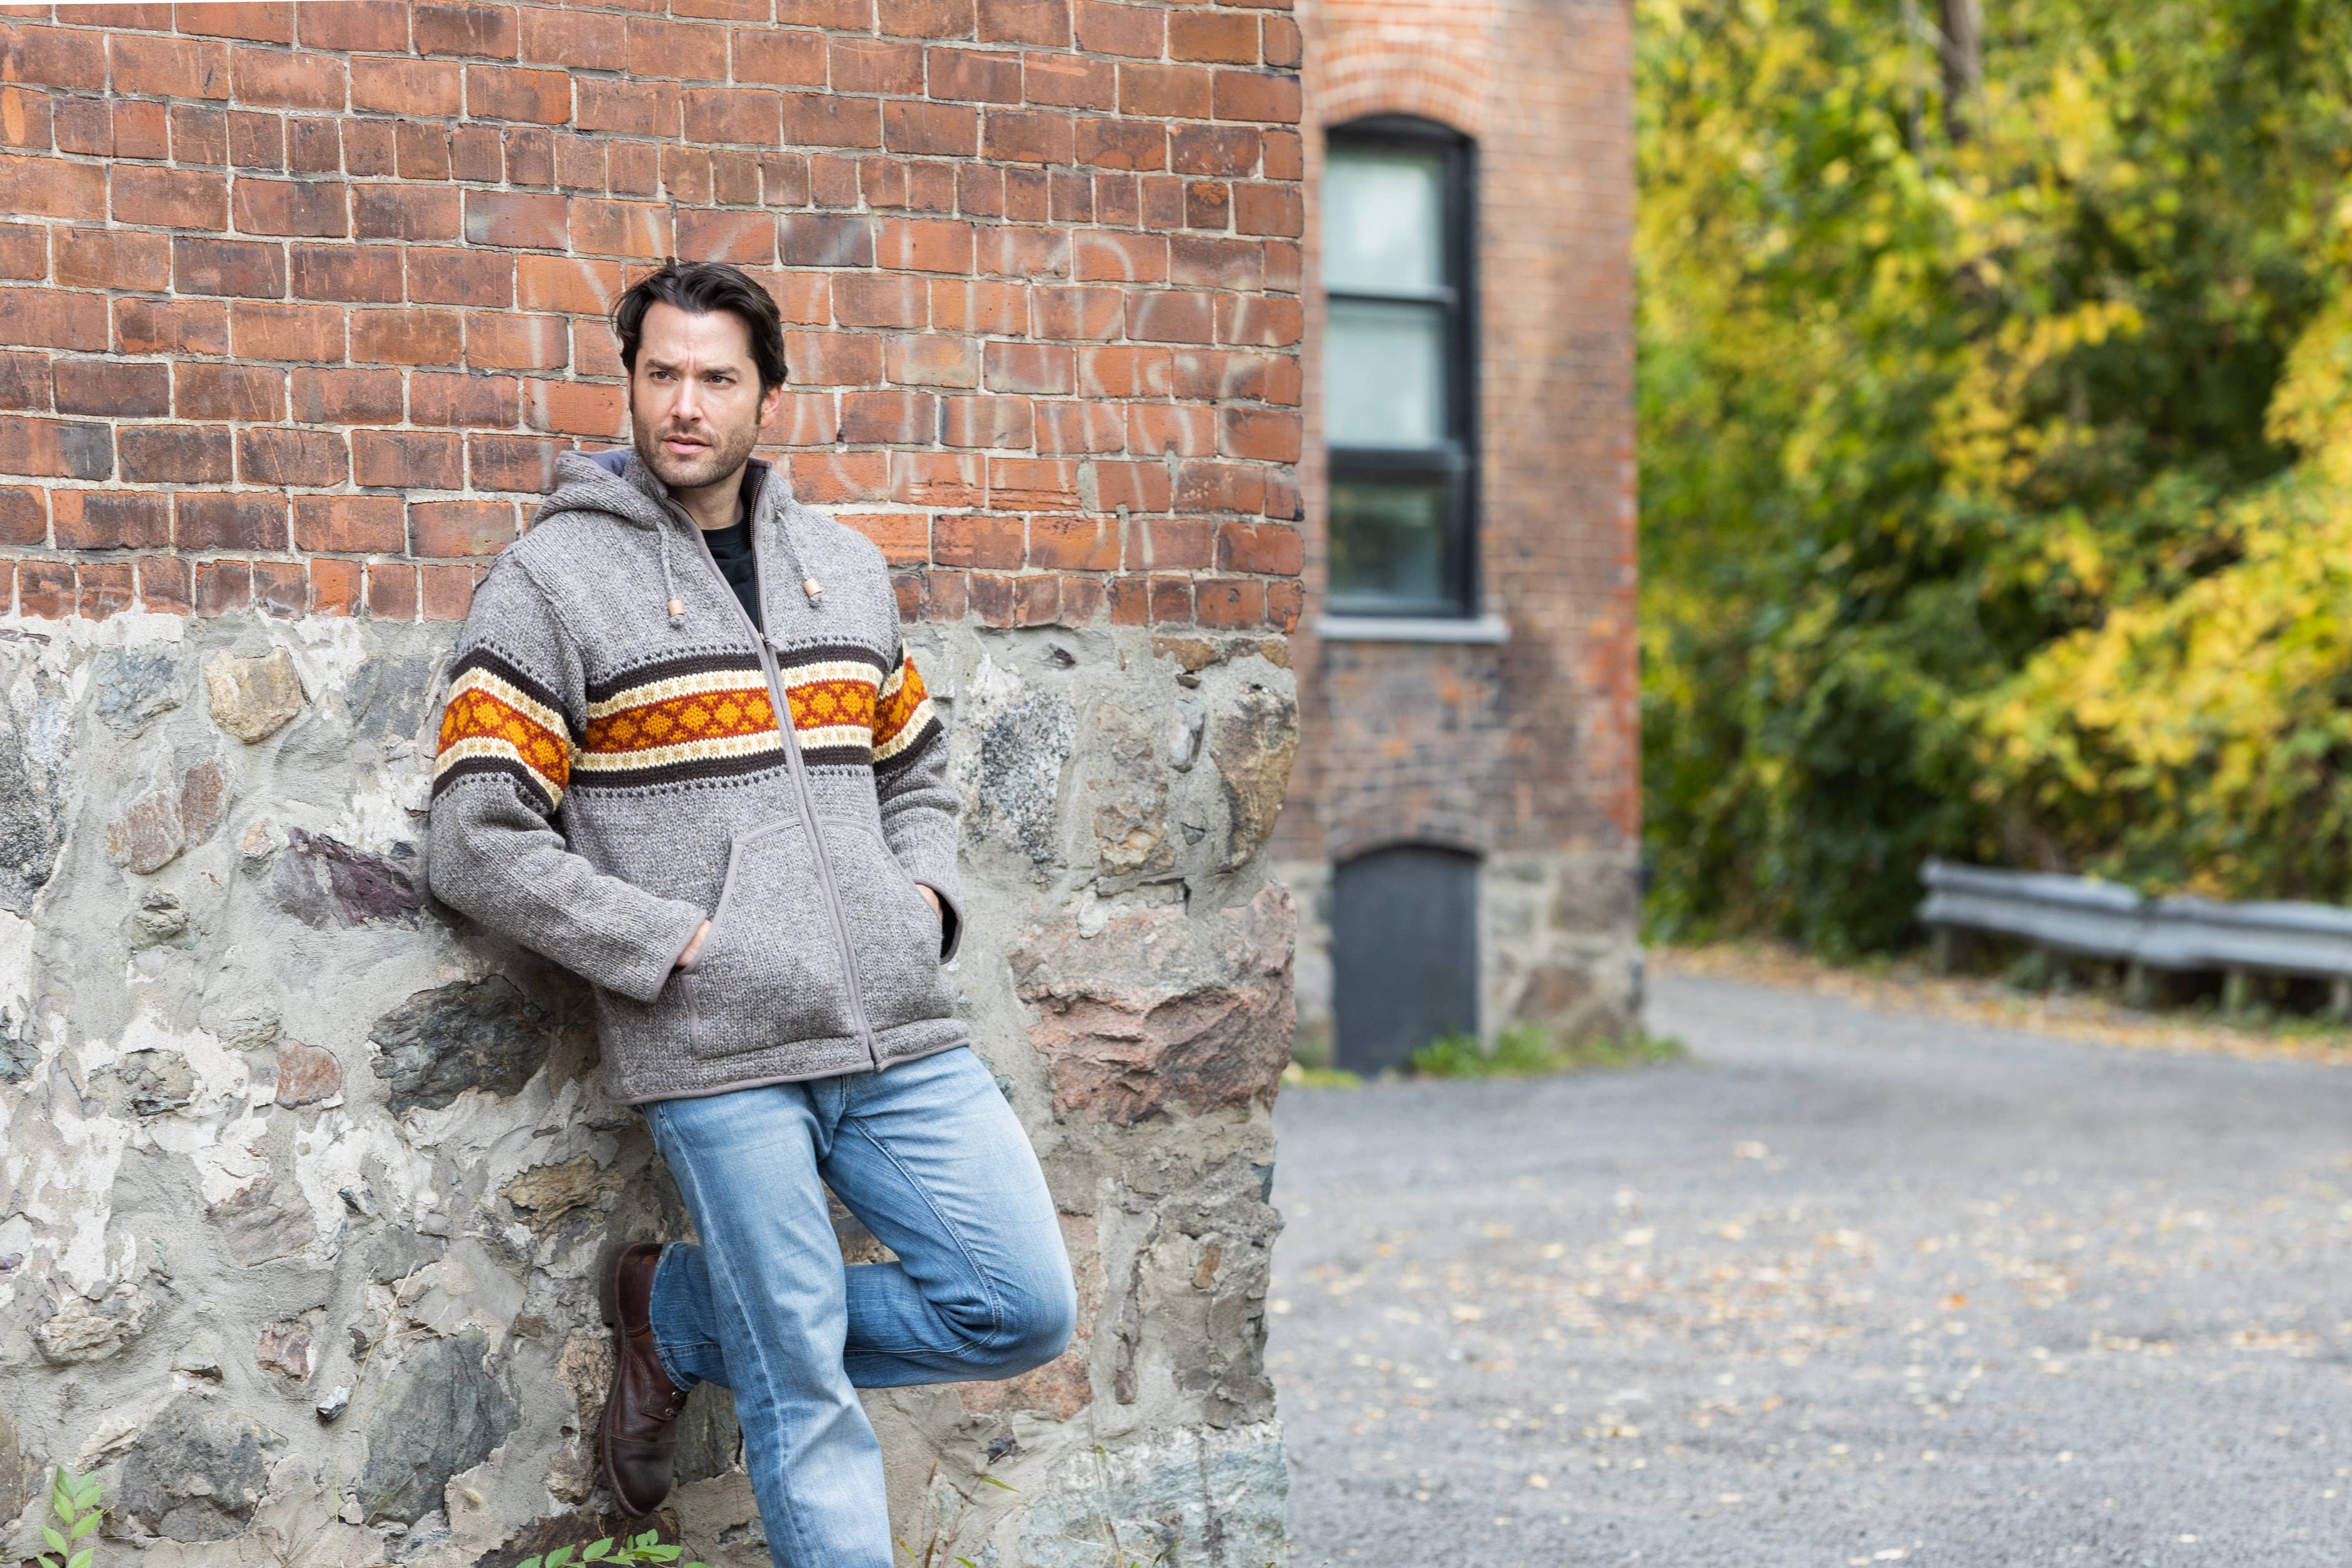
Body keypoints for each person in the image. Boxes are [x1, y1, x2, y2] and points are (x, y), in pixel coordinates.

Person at [424, 259, 1075, 1560]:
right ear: (629, 385)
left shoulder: (845, 567)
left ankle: (674, 1316)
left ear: (769, 397)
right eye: (661, 373)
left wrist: (922, 902)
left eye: (717, 378)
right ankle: (753, 1335)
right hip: (718, 1048)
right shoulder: (550, 582)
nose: (686, 404)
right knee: (803, 1382)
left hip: (896, 1029)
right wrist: (675, 945)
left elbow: (916, 769)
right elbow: (475, 834)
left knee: (1020, 1307)